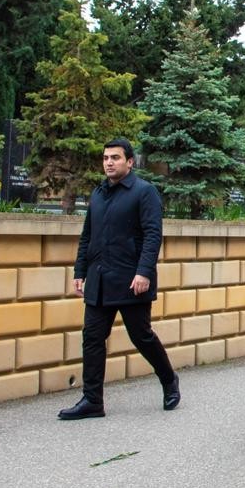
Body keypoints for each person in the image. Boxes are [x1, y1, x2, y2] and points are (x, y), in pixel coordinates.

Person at [59, 138, 179, 420]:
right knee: (92, 337)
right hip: (99, 279)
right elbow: (87, 235)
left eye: (115, 157)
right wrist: (79, 271)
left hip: (131, 279)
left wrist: (144, 272)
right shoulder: (99, 193)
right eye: (105, 158)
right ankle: (92, 401)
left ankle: (169, 380)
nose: (109, 162)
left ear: (130, 162)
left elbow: (153, 235)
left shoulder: (144, 192)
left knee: (142, 336)